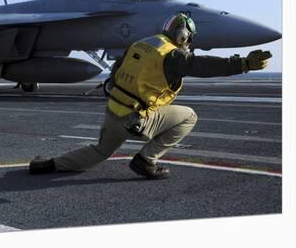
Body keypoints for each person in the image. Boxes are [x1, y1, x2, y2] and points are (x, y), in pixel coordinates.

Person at [29, 13, 272, 179]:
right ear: (184, 36)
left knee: (100, 151)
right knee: (189, 116)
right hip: (138, 119)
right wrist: (242, 64)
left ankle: (49, 164)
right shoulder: (173, 56)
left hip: (114, 111)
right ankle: (146, 160)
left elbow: (116, 72)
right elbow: (203, 65)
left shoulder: (141, 44)